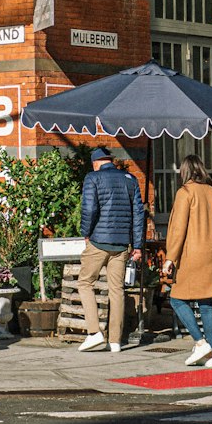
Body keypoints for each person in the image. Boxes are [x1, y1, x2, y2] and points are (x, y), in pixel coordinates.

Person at [162, 154, 212, 368]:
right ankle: (211, 353)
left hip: (193, 256)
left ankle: (201, 343)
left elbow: (177, 229)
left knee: (176, 299)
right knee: (207, 302)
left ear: (184, 172)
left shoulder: (185, 193)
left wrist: (170, 258)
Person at [77, 146, 144, 353]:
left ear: (96, 163)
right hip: (123, 244)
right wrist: (138, 245)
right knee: (117, 290)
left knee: (85, 282)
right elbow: (138, 215)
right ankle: (115, 341)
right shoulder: (131, 179)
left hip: (98, 241)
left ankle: (94, 332)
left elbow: (89, 208)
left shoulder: (93, 178)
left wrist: (85, 232)